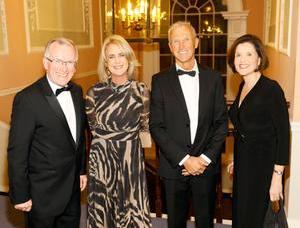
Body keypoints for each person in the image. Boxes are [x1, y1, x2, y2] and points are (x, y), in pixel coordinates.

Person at [149, 21, 228, 228]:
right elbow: (156, 126)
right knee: (175, 223)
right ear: (170, 46)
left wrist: (202, 159)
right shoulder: (159, 80)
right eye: (176, 41)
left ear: (196, 43)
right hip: (174, 167)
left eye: (186, 39)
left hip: (205, 167)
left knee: (205, 222)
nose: (182, 45)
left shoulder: (214, 78)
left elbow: (221, 124)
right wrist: (185, 160)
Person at [7, 37, 87, 228]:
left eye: (70, 63)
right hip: (42, 194)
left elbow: (78, 138)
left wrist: (81, 170)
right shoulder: (27, 99)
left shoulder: (77, 91)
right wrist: (21, 195)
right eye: (58, 61)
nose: (64, 68)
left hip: (72, 190)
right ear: (45, 63)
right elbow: (17, 152)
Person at [85, 34, 152, 228]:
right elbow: (94, 129)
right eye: (111, 56)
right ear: (105, 63)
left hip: (130, 159)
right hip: (102, 159)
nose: (117, 61)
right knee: (103, 210)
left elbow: (145, 127)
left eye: (121, 55)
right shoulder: (93, 93)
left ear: (129, 59)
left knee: (132, 210)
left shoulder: (141, 91)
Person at [227, 34, 290, 228]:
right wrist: (236, 159)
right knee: (242, 215)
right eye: (238, 55)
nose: (242, 60)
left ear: (259, 59)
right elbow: (246, 129)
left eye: (248, 54)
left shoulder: (271, 89)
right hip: (244, 166)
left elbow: (283, 135)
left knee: (257, 218)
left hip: (264, 168)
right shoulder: (243, 85)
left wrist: (277, 178)